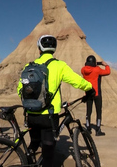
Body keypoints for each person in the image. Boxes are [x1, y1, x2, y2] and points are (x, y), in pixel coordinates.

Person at [17, 35, 95, 167]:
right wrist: (89, 88)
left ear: (39, 49)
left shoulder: (29, 66)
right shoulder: (59, 65)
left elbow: (20, 89)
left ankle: (27, 161)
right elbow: (77, 81)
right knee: (48, 152)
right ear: (54, 49)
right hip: (49, 116)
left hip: (31, 114)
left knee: (34, 142)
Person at [81, 55, 110, 136]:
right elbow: (108, 72)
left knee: (88, 111)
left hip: (88, 93)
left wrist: (95, 63)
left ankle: (88, 128)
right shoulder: (97, 70)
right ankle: (98, 130)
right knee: (98, 111)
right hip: (97, 94)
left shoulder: (83, 70)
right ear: (94, 62)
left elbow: (89, 67)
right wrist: (105, 65)